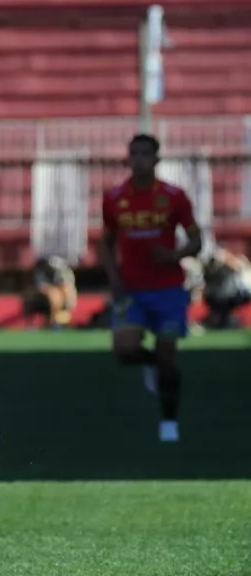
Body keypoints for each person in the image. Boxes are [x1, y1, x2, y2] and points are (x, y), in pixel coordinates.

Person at [99, 134, 202, 442]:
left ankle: (169, 423)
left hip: (168, 288)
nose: (140, 159)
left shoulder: (174, 196)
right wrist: (115, 279)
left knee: (169, 358)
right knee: (125, 351)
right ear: (128, 158)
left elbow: (197, 241)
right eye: (135, 153)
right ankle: (153, 364)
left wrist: (173, 256)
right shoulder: (114, 197)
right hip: (131, 289)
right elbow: (105, 242)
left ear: (157, 159)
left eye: (147, 153)